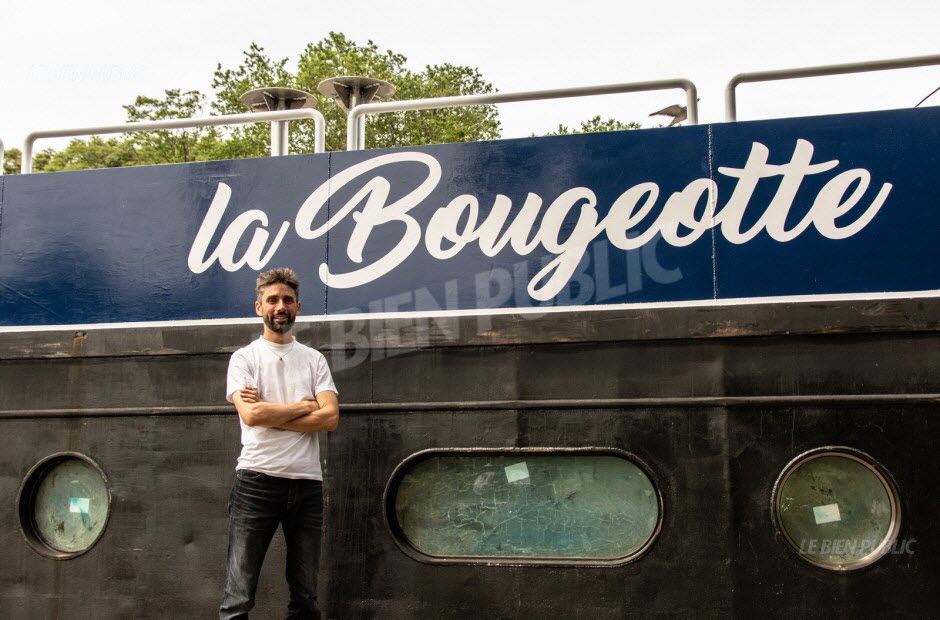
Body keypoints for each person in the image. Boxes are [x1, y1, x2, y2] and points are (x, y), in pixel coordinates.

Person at [220, 267, 339, 619]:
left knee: (305, 598)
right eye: (272, 300)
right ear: (259, 307)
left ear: (298, 307)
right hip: (257, 482)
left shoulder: (315, 360)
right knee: (238, 596)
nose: (280, 306)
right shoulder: (244, 359)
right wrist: (302, 410)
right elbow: (251, 417)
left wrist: (274, 415)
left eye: (287, 300)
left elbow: (330, 418)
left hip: (307, 485)